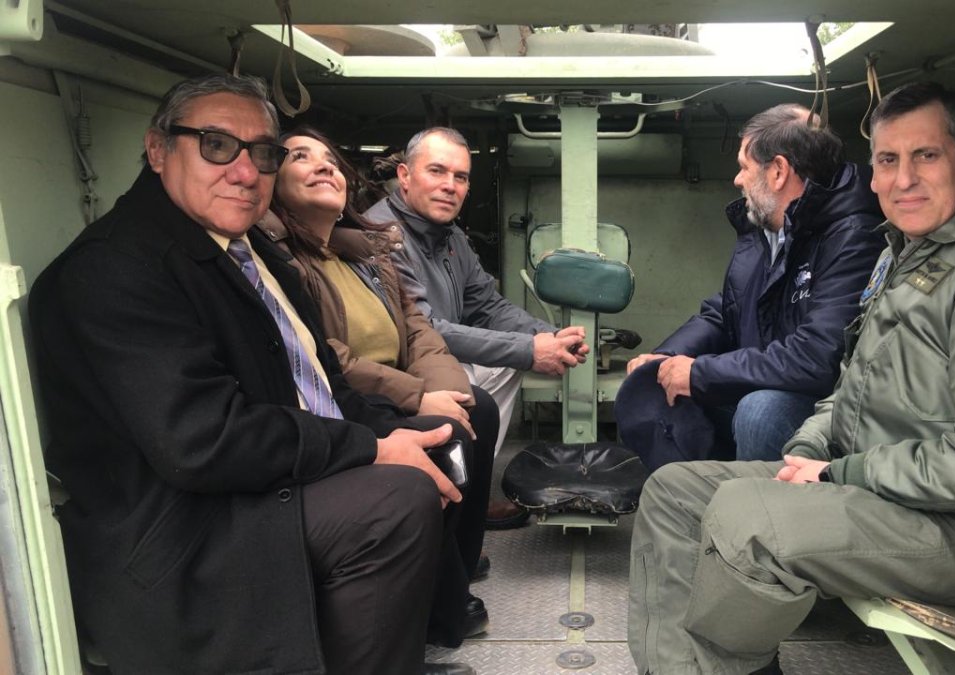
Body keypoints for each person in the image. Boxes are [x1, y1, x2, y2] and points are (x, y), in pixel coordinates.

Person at [626, 81, 955, 675]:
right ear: (872, 174)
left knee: (748, 523)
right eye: (888, 160)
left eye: (925, 155)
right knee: (673, 495)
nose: (904, 179)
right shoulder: (906, 254)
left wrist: (839, 473)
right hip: (880, 490)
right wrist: (808, 451)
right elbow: (850, 383)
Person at [30, 74, 474, 675]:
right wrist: (372, 447)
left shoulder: (248, 249)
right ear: (158, 149)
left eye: (263, 153)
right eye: (217, 145)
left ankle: (402, 647)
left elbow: (322, 385)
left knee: (441, 442)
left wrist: (394, 432)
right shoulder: (115, 268)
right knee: (396, 500)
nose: (245, 172)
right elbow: (202, 441)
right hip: (180, 528)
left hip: (254, 477)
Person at [261, 125, 500, 645]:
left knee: (475, 410)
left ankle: (452, 573)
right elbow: (326, 357)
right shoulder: (280, 260)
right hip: (347, 401)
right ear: (272, 180)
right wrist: (420, 398)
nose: (323, 166)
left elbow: (417, 330)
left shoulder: (365, 251)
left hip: (398, 387)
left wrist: (449, 391)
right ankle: (438, 597)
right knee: (439, 432)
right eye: (301, 157)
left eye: (330, 159)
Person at [616, 104, 885, 469]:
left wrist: (699, 373)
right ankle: (694, 494)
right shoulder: (769, 228)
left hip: (828, 409)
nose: (737, 180)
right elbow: (726, 311)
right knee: (659, 388)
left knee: (761, 411)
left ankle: (757, 503)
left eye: (744, 167)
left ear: (778, 171)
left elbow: (816, 358)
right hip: (768, 381)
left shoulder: (853, 237)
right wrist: (667, 358)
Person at [364, 126, 590, 527]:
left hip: (441, 358)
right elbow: (424, 331)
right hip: (405, 370)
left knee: (508, 361)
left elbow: (486, 305)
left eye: (461, 177)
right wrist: (530, 350)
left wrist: (546, 336)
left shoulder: (450, 236)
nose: (450, 186)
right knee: (500, 365)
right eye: (437, 171)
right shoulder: (381, 236)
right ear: (405, 176)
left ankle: (472, 486)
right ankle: (444, 495)